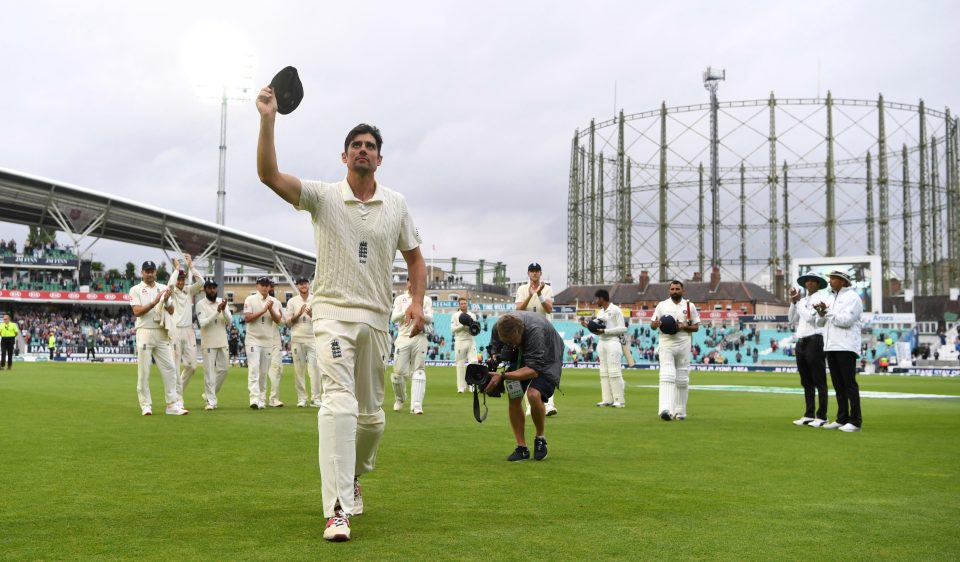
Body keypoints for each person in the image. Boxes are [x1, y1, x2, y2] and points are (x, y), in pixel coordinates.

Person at [257, 85, 426, 543]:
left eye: (371, 146)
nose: (364, 151)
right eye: (356, 145)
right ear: (344, 155)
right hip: (331, 314)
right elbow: (269, 174)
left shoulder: (397, 203)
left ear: (380, 159)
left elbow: (415, 259)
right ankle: (336, 511)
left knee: (372, 419)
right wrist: (269, 119)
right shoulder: (323, 196)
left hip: (375, 318)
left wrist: (415, 301)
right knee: (337, 404)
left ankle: (353, 477)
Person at [485, 311, 563, 462]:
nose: (511, 344)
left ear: (520, 331)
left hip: (547, 357)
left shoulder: (535, 330)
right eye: (507, 342)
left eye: (513, 341)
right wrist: (494, 357)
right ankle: (521, 448)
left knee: (533, 394)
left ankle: (540, 438)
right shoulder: (498, 326)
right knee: (514, 396)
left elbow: (533, 370)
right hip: (519, 356)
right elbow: (494, 347)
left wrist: (502, 376)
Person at [129, 260, 187, 416]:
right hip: (145, 331)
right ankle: (146, 405)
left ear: (155, 272)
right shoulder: (136, 289)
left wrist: (166, 299)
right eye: (147, 271)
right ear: (142, 273)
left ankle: (172, 404)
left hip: (161, 332)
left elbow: (172, 310)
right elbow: (137, 311)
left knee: (170, 369)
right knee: (144, 371)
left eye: (152, 271)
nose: (150, 274)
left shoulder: (163, 288)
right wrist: (155, 301)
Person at [815, 270, 863, 432]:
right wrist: (821, 313)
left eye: (834, 279)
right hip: (831, 345)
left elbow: (846, 321)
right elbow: (820, 323)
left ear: (843, 281)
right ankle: (842, 418)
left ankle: (855, 421)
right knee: (838, 385)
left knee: (849, 384)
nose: (830, 281)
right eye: (830, 278)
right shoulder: (829, 297)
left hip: (846, 345)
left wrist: (827, 312)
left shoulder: (853, 298)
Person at [650, 280, 700, 421]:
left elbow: (696, 327)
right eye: (672, 289)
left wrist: (684, 326)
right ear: (669, 291)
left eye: (677, 289)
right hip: (666, 341)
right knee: (667, 374)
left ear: (682, 290)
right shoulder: (662, 305)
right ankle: (665, 409)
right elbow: (653, 325)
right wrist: (654, 324)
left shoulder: (690, 306)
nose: (674, 291)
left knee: (682, 379)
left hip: (684, 342)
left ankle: (680, 411)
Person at [515, 262, 558, 416]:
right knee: (528, 368)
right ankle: (529, 406)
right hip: (527, 333)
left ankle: (549, 405)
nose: (534, 274)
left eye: (537, 271)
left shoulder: (547, 289)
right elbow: (519, 309)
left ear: (540, 273)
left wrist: (539, 294)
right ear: (528, 273)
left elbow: (549, 309)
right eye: (532, 271)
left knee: (547, 369)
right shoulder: (521, 289)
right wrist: (530, 294)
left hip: (545, 332)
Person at [788, 272, 830, 427]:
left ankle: (822, 416)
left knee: (819, 380)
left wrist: (798, 303)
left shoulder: (822, 298)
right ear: (804, 284)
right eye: (808, 281)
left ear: (819, 284)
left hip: (815, 339)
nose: (810, 283)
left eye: (814, 281)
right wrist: (793, 303)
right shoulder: (802, 299)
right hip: (801, 341)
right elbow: (791, 319)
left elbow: (811, 319)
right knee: (806, 381)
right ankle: (809, 414)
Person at [390, 279, 434, 414]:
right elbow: (393, 318)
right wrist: (407, 311)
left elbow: (430, 318)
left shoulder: (426, 299)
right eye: (410, 282)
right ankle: (400, 399)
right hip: (403, 338)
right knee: (397, 375)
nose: (412, 285)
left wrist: (418, 312)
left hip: (419, 337)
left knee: (419, 371)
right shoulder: (400, 299)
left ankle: (416, 405)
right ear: (407, 284)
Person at [243, 277, 282, 409]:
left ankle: (261, 399)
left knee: (264, 372)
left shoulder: (275, 302)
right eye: (262, 285)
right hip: (253, 339)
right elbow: (247, 318)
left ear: (270, 287)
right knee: (254, 369)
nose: (265, 287)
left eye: (267, 285)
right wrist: (263, 310)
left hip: (267, 341)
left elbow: (278, 320)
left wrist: (270, 309)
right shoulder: (250, 299)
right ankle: (254, 398)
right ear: (257, 286)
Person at [583, 289, 626, 407]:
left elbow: (623, 329)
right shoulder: (600, 312)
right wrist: (589, 327)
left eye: (597, 299)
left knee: (614, 371)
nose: (596, 301)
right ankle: (607, 399)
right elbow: (598, 330)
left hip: (613, 342)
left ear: (602, 298)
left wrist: (605, 331)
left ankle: (619, 400)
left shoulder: (616, 310)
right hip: (602, 342)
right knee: (603, 373)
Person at [170, 254, 204, 399]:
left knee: (192, 366)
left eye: (183, 279)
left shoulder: (189, 290)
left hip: (189, 330)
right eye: (179, 278)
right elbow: (170, 285)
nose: (181, 281)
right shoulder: (171, 291)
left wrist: (191, 266)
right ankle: (177, 398)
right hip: (176, 330)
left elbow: (201, 282)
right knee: (176, 366)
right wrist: (177, 269)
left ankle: (178, 393)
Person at [195, 279, 232, 410]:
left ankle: (209, 394)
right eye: (209, 288)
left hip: (222, 340)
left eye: (214, 288)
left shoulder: (222, 301)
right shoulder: (200, 304)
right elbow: (203, 323)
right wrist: (217, 312)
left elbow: (230, 320)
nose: (212, 290)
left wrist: (223, 310)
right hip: (209, 342)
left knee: (224, 370)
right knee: (209, 373)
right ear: (205, 289)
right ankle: (211, 401)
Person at [286, 276, 322, 408]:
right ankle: (302, 398)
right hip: (297, 339)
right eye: (300, 284)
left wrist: (312, 314)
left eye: (305, 283)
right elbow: (288, 323)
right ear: (297, 286)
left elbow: (322, 320)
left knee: (315, 370)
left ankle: (316, 398)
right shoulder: (292, 301)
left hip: (313, 338)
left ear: (309, 285)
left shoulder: (316, 299)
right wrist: (298, 314)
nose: (303, 286)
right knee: (299, 370)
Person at [450, 297, 478, 393]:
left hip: (470, 340)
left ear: (467, 304)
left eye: (465, 303)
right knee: (460, 364)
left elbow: (475, 329)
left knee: (473, 362)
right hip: (460, 341)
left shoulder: (472, 315)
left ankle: (472, 385)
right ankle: (461, 387)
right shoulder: (455, 315)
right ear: (459, 305)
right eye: (461, 303)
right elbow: (453, 329)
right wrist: (462, 326)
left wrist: (471, 326)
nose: (463, 305)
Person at [267, 286, 285, 407]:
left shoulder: (277, 303)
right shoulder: (253, 300)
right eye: (267, 286)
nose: (270, 289)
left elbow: (282, 323)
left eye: (271, 287)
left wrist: (272, 312)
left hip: (275, 341)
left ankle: (274, 398)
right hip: (259, 342)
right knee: (260, 371)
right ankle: (258, 398)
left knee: (277, 369)